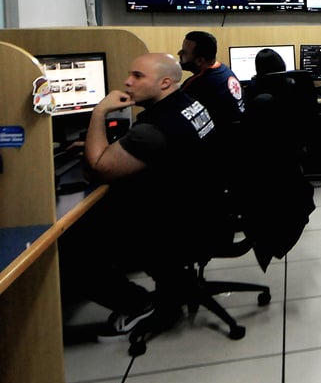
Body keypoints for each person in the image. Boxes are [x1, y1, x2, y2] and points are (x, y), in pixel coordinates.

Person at [59, 53, 218, 340]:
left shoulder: (152, 131)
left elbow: (97, 168)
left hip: (169, 223)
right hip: (199, 209)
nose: (127, 82)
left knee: (69, 245)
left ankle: (138, 304)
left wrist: (99, 113)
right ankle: (167, 283)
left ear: (165, 82)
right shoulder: (189, 104)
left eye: (137, 76)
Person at [178, 30, 245, 126]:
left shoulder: (198, 84)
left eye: (184, 52)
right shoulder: (224, 69)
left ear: (200, 61)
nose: (179, 54)